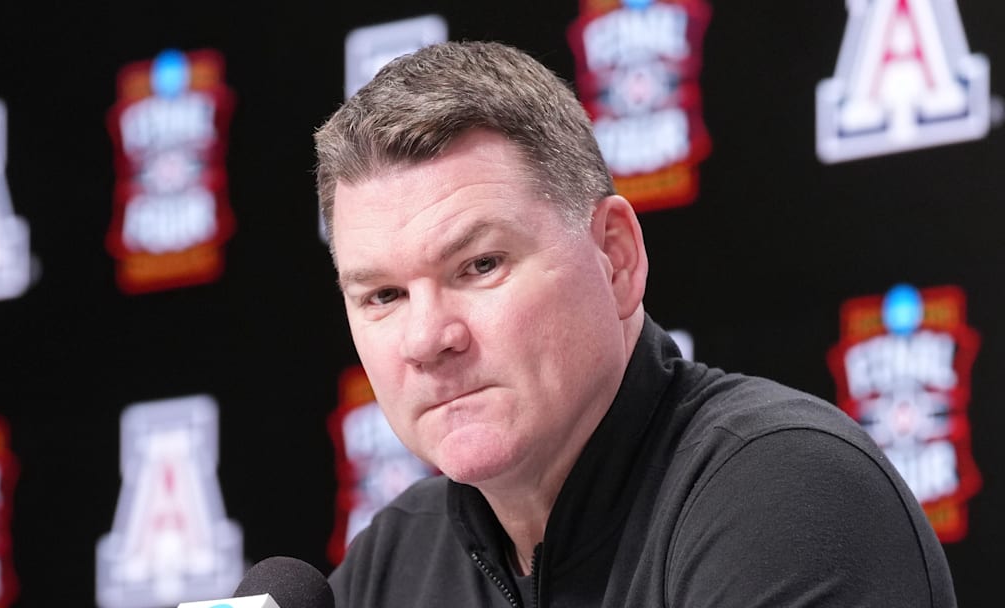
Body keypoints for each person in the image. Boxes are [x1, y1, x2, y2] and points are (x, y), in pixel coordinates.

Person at [313, 39, 956, 607]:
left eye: (480, 265)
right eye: (384, 296)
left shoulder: (788, 497)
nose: (428, 339)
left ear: (616, 258)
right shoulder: (391, 566)